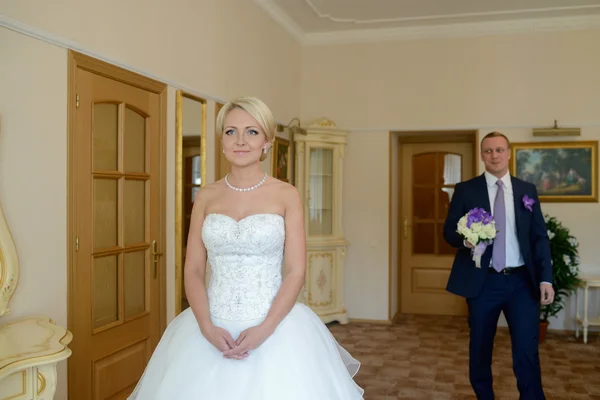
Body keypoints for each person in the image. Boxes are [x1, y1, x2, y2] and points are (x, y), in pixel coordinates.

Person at [128, 97, 364, 399]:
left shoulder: (286, 195)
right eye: (231, 132)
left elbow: (295, 272)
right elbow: (194, 269)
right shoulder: (206, 197)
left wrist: (265, 330)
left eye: (251, 132)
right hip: (210, 327)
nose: (240, 140)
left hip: (275, 326)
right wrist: (206, 328)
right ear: (222, 140)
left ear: (266, 141)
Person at [443, 131, 554, 400]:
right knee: (480, 349)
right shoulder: (466, 190)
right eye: (489, 150)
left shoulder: (527, 191)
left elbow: (539, 238)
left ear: (508, 153)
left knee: (527, 350)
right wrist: (467, 241)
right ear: (482, 155)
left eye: (499, 150)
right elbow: (449, 232)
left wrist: (545, 279)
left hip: (521, 284)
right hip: (484, 282)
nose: (494, 155)